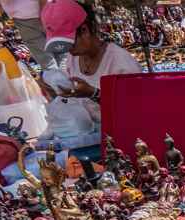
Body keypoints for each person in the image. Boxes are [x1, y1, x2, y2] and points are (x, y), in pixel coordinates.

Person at [39, 0, 142, 130]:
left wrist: (94, 94)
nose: (68, 50)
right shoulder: (74, 58)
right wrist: (49, 83)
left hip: (121, 133)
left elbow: (135, 110)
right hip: (90, 135)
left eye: (70, 43)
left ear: (85, 30)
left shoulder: (121, 63)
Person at [1, 0, 50, 69]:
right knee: (60, 50)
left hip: (26, 16)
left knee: (46, 59)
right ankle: (66, 74)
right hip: (49, 9)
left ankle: (59, 78)